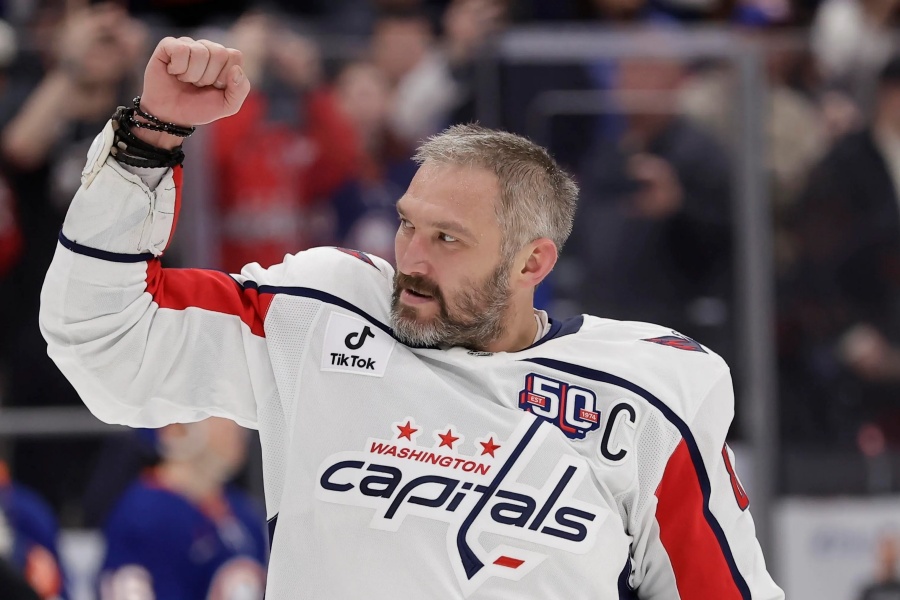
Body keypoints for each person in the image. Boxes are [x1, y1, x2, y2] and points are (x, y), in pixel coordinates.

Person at [39, 36, 783, 598]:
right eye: (407, 225)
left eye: (448, 239)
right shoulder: (322, 311)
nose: (413, 259)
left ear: (533, 264)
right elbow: (106, 340)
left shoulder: (647, 394)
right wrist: (147, 141)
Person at [99, 418, 267, 600]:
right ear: (175, 429)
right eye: (215, 413)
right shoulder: (144, 514)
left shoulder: (245, 513)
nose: (234, 426)